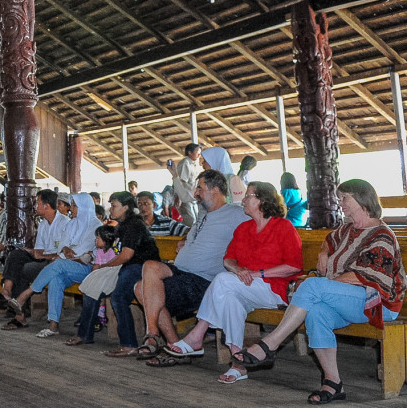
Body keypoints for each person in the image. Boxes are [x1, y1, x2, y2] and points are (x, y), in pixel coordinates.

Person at [236, 180, 405, 404]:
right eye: (339, 198)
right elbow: (329, 241)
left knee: (312, 286)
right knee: (315, 311)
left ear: (362, 200)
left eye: (345, 198)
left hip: (378, 304)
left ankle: (270, 344)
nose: (340, 202)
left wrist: (328, 284)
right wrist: (324, 254)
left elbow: (365, 277)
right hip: (349, 302)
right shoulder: (347, 229)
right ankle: (333, 382)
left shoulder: (381, 235)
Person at [165, 181, 302, 381]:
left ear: (263, 200)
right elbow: (228, 260)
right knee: (229, 299)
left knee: (222, 280)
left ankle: (197, 334)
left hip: (273, 289)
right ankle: (239, 363)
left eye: (248, 196)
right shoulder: (243, 229)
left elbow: (294, 266)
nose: (243, 200)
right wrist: (238, 269)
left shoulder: (283, 226)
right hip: (243, 287)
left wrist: (257, 274)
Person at [132, 169, 249, 361]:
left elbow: (264, 223)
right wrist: (186, 240)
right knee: (148, 269)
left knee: (142, 290)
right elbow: (195, 232)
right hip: (181, 271)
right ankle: (164, 338)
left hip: (202, 280)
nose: (196, 193)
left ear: (215, 190)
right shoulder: (204, 214)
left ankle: (156, 339)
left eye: (200, 188)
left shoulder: (236, 214)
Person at [3, 192, 97, 335]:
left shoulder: (95, 225)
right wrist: (66, 250)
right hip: (66, 263)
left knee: (55, 265)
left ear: (84, 207)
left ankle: (24, 296)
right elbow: (64, 247)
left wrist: (67, 251)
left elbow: (84, 249)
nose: (71, 209)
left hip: (86, 268)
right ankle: (53, 324)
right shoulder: (72, 224)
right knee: (55, 279)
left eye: (74, 205)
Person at [76, 192, 160, 351]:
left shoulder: (134, 224)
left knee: (118, 297)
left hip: (142, 266)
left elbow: (127, 255)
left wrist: (104, 266)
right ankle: (84, 334)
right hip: (126, 266)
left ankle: (128, 345)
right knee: (90, 285)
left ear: (126, 207)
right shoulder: (122, 225)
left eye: (114, 205)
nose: (111, 209)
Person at [0, 190, 67, 309]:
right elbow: (39, 249)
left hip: (55, 262)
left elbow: (63, 254)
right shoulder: (43, 224)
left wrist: (42, 255)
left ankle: (19, 312)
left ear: (46, 206)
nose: (35, 206)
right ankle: (6, 290)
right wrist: (32, 252)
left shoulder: (64, 223)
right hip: (44, 257)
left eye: (37, 203)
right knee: (15, 254)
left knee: (24, 269)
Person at [170, 143, 203, 226]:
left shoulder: (196, 164)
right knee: (189, 220)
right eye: (197, 151)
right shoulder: (185, 163)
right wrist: (179, 197)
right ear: (190, 152)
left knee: (196, 220)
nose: (199, 154)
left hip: (194, 197)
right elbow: (180, 181)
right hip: (185, 196)